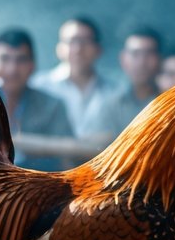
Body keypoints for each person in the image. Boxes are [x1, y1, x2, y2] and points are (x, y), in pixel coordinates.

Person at [33, 16, 131, 153]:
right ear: (59, 48)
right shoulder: (39, 86)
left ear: (98, 49)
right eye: (71, 41)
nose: (78, 48)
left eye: (85, 41)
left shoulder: (116, 91)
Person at [0, 28, 76, 172]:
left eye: (21, 59)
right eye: (5, 59)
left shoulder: (52, 105)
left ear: (32, 66)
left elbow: (66, 161)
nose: (12, 69)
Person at [117, 27, 163, 119]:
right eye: (135, 53)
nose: (142, 62)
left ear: (160, 59)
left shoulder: (170, 100)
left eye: (149, 53)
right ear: (123, 59)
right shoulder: (105, 102)